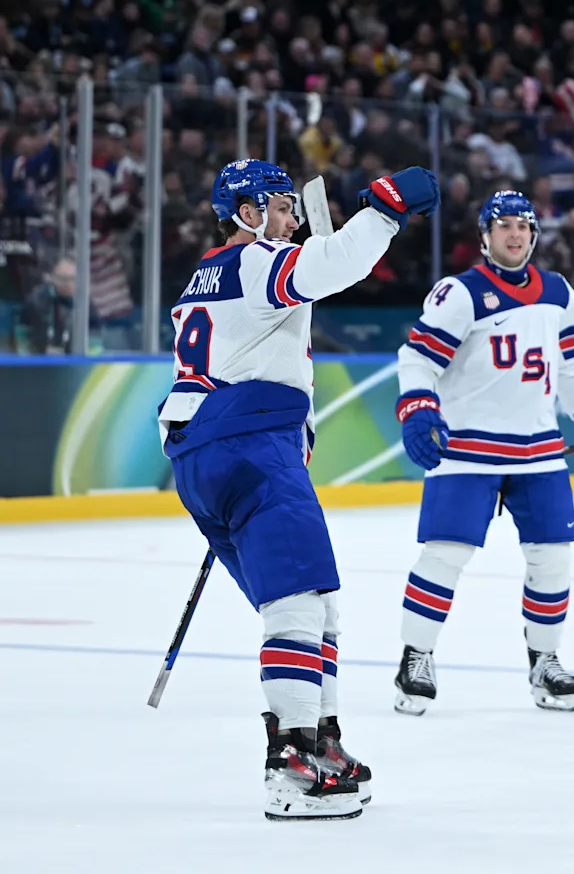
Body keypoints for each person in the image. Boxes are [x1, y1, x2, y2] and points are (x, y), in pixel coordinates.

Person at [157, 158, 440, 820]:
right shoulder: (256, 262)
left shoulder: (204, 278)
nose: (292, 218)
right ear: (247, 212)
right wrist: (385, 211)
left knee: (315, 600)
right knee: (295, 602)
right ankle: (293, 756)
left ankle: (323, 739)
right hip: (247, 446)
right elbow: (333, 264)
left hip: (214, 450)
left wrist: (293, 426)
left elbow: (252, 355)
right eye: (281, 206)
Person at [392, 189, 574, 715]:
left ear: (534, 235)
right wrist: (417, 408)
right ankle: (416, 657)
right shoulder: (459, 293)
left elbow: (571, 370)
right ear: (485, 236)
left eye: (523, 226)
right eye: (504, 227)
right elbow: (417, 359)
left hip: (539, 452)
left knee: (553, 560)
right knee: (445, 556)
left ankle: (545, 662)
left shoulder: (561, 294)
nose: (515, 234)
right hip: (467, 451)